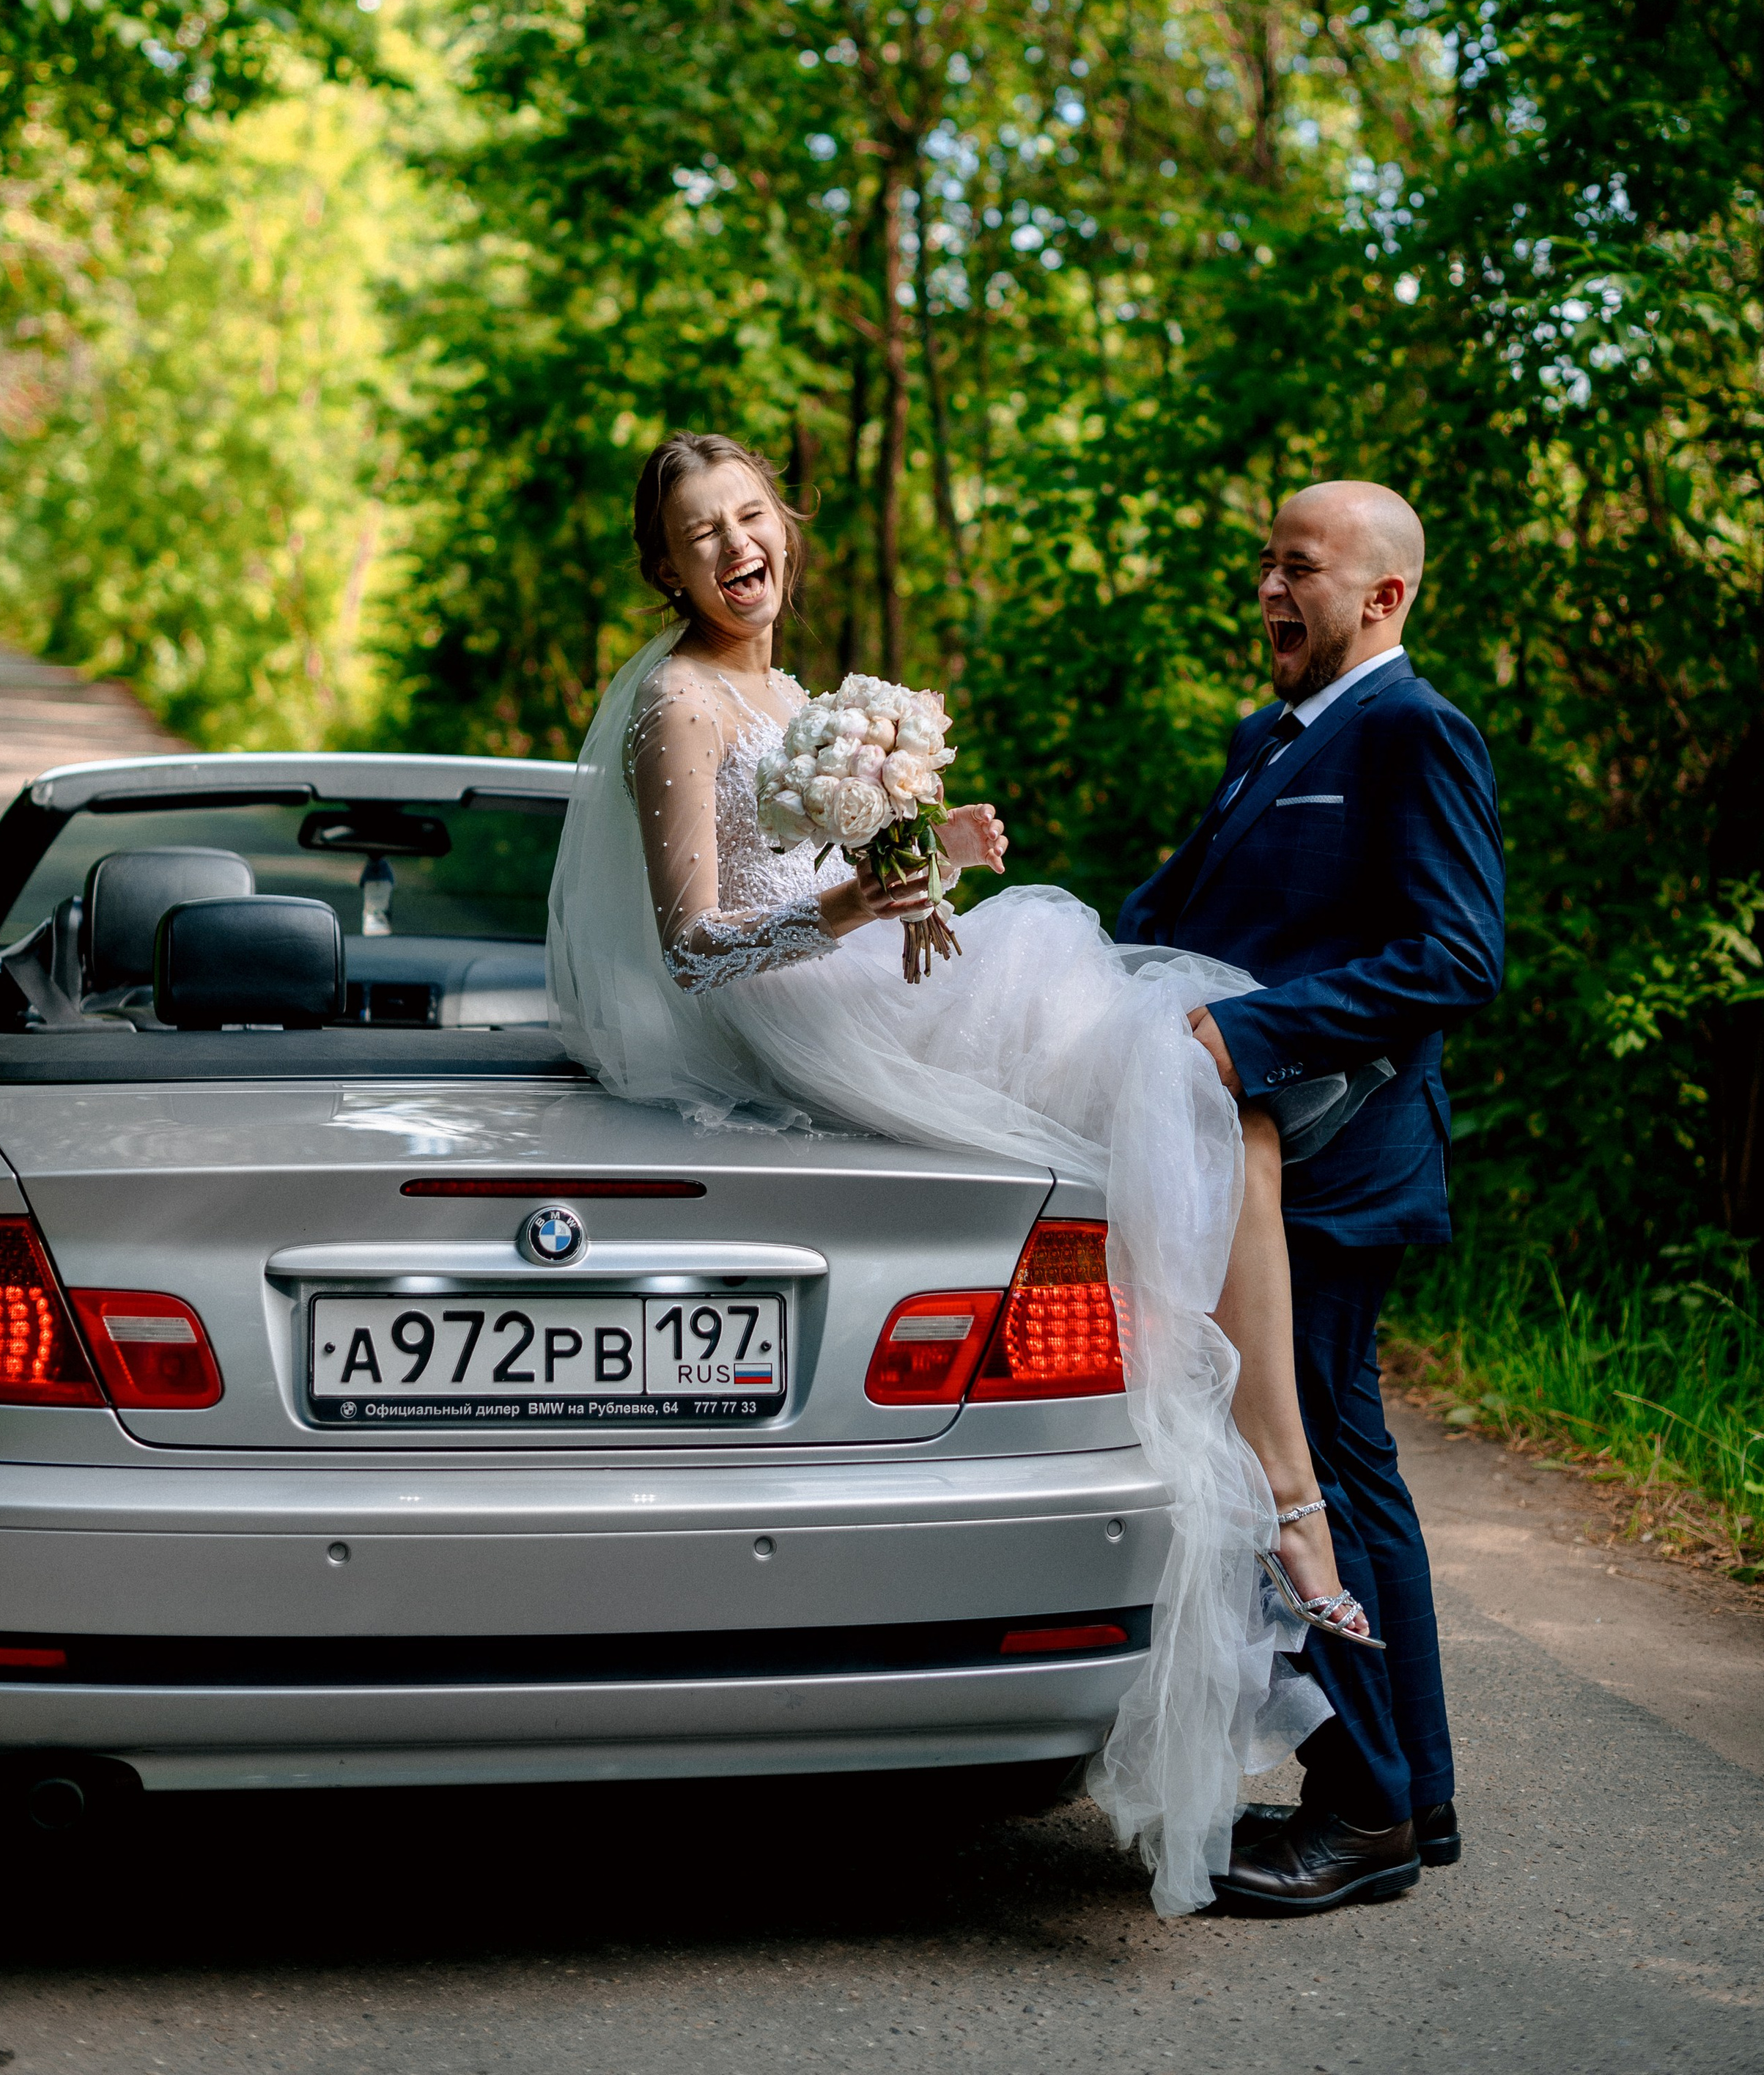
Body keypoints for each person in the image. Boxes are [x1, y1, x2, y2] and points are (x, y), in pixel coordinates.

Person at [547, 432, 1384, 1917]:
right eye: (698, 533)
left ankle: (1282, 1502)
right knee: (1182, 1077)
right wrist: (870, 893)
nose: (736, 547)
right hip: (787, 1020)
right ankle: (1289, 1508)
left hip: (854, 978)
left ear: (784, 527)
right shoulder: (675, 701)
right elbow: (698, 939)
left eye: (750, 516)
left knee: (1196, 1092)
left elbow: (829, 890)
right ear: (662, 564)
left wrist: (924, 855)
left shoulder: (791, 697)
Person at [1117, 480, 1505, 1914]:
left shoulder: (1412, 729)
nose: (1269, 589)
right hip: (1247, 1160)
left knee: (1314, 1470)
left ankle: (1361, 1808)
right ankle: (1417, 1787)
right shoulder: (1262, 739)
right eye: (1263, 564)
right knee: (1347, 1459)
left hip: (1329, 1166)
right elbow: (1174, 920)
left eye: (1298, 566)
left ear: (1382, 595)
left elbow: (1457, 954)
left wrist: (1250, 1034)